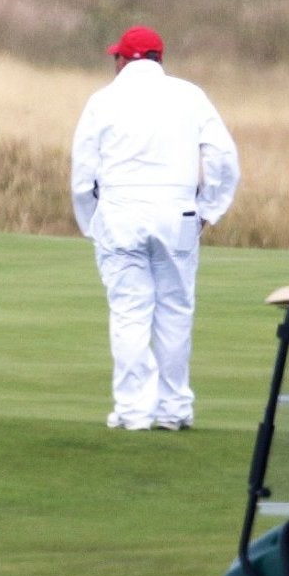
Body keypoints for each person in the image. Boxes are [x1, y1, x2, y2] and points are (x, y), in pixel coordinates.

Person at [69, 25, 240, 431]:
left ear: (123, 60)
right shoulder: (189, 96)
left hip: (120, 211)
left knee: (129, 311)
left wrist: (90, 217)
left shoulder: (103, 101)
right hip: (177, 212)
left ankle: (133, 411)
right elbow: (222, 157)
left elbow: (82, 172)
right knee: (175, 311)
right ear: (158, 59)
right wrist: (208, 208)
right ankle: (173, 409)